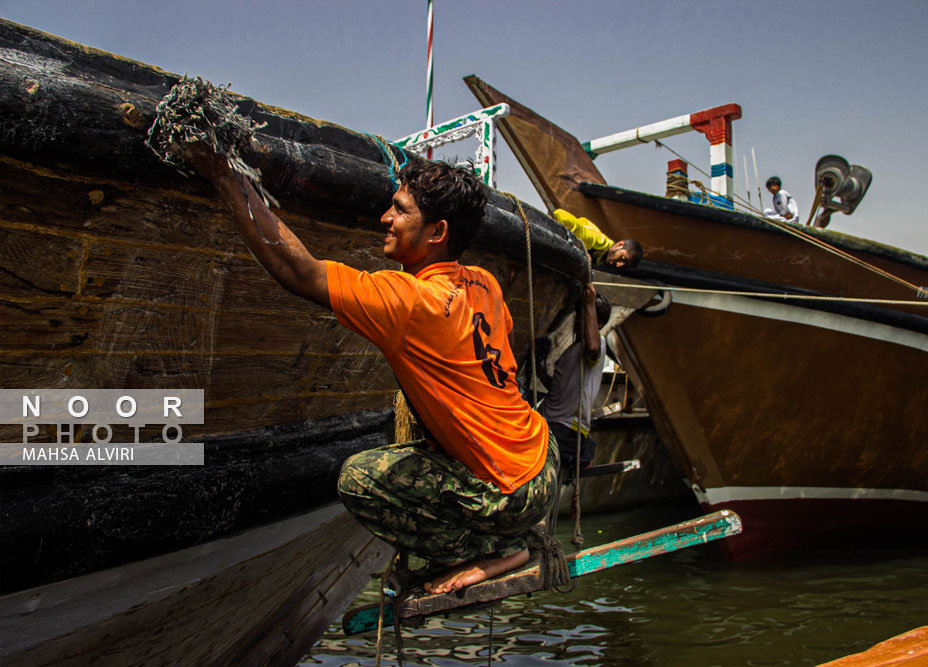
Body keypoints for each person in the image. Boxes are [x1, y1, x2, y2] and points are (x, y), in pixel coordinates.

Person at [183, 144, 557, 596]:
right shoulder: (484, 281)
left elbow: (297, 272)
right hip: (543, 457)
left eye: (399, 211)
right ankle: (500, 533)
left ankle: (493, 549)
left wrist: (223, 175)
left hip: (510, 491)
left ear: (437, 231)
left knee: (360, 479)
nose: (384, 218)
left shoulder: (411, 300)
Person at [537, 284, 612, 472]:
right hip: (549, 421)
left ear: (598, 324)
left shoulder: (597, 345)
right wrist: (541, 371)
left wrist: (589, 305)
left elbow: (592, 348)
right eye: (579, 315)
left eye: (584, 316)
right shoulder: (573, 351)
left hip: (564, 428)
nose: (579, 320)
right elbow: (560, 387)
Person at [552, 208, 643, 268]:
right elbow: (561, 215)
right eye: (622, 258)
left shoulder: (601, 257)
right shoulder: (597, 241)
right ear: (619, 245)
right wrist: (579, 249)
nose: (619, 265)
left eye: (624, 265)